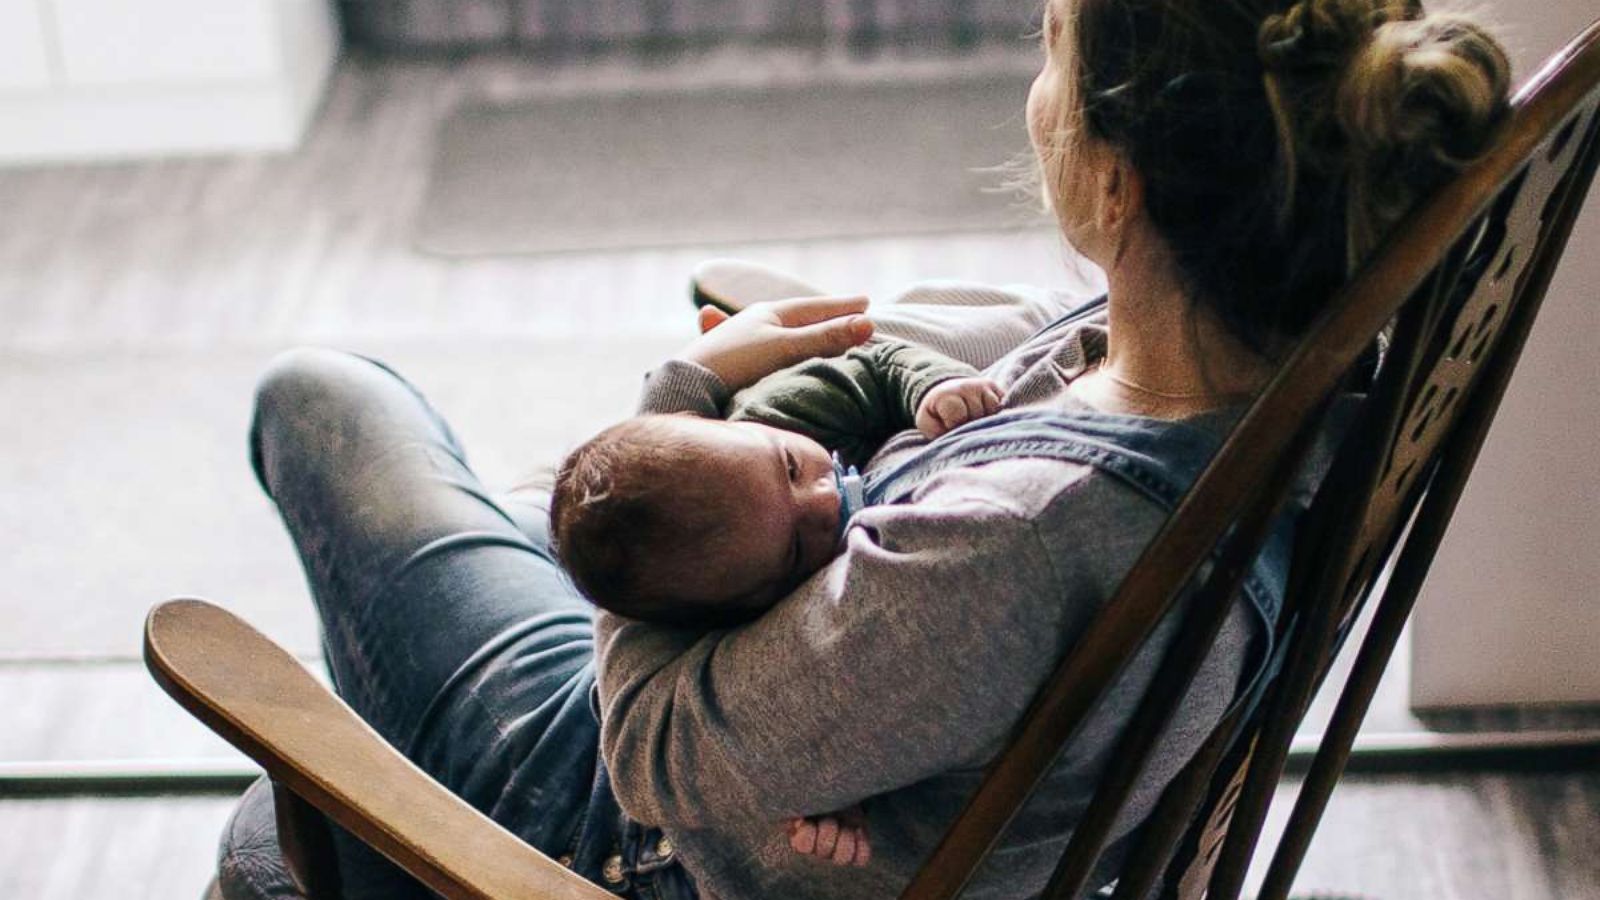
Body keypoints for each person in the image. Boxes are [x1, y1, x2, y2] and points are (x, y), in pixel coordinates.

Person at [232, 1, 1511, 898]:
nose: (1034, 97)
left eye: (1050, 54)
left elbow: (649, 754)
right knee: (505, 507)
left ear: (1119, 188)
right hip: (796, 737)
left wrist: (670, 413)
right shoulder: (1270, 384)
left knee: (323, 400)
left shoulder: (1008, 547)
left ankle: (389, 805)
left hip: (618, 830)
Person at [549, 339, 1005, 628]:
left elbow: (878, 363)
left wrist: (933, 388)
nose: (824, 499)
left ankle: (533, 494)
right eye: (795, 548)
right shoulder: (759, 612)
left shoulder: (782, 410)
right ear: (747, 605)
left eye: (789, 468)